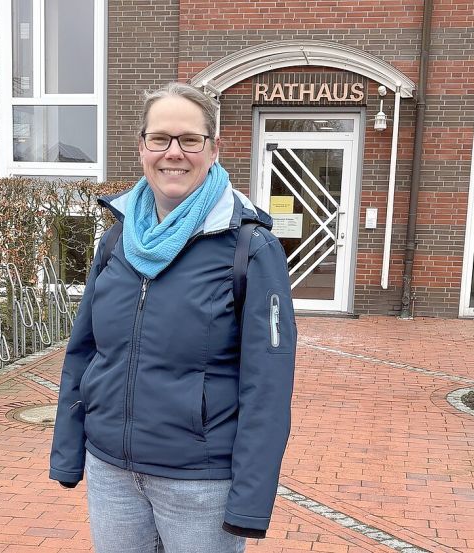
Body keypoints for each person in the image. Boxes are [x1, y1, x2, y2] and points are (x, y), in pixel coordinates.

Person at [49, 82, 296, 553]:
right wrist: (68, 452)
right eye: (160, 139)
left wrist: (249, 501)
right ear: (142, 146)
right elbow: (83, 353)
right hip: (112, 472)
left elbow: (268, 385)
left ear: (214, 148)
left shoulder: (250, 246)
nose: (174, 153)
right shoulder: (116, 240)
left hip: (199, 483)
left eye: (190, 139)